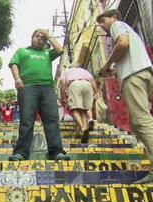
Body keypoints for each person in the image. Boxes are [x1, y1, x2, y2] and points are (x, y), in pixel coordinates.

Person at [97, 9, 153, 183]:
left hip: (134, 76)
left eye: (103, 20)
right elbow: (126, 51)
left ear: (113, 17)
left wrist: (107, 64)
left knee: (141, 121)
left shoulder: (117, 25)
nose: (102, 25)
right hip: (142, 74)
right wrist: (114, 69)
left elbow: (122, 44)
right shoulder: (127, 30)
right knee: (139, 122)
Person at [8, 28, 70, 161]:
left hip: (47, 88)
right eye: (37, 36)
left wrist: (49, 36)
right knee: (26, 120)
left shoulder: (47, 53)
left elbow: (60, 50)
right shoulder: (22, 51)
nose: (39, 39)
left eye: (42, 38)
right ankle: (21, 153)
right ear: (32, 37)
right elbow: (14, 64)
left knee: (52, 120)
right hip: (27, 87)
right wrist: (17, 78)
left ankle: (56, 152)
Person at [60, 64, 97, 143]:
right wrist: (96, 91)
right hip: (87, 85)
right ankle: (89, 121)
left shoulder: (67, 71)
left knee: (74, 109)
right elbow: (92, 81)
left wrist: (63, 95)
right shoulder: (85, 71)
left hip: (75, 84)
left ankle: (83, 129)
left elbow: (63, 82)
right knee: (85, 109)